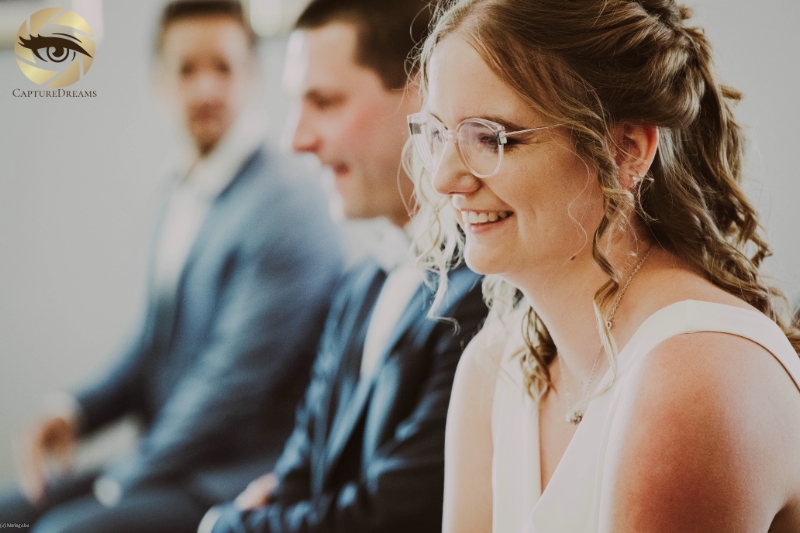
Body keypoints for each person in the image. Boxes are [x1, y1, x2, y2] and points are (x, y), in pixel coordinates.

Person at [405, 0, 800, 531]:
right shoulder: (495, 366)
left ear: (626, 151)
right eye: (437, 134)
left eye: (492, 138)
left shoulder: (698, 376)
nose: (444, 179)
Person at [0, 1, 344, 532]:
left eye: (222, 67)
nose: (206, 89)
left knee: (59, 529)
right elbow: (155, 344)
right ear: (159, 82)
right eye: (187, 70)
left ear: (253, 76)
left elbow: (231, 384)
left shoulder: (286, 205)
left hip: (234, 479)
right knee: (9, 515)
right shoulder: (180, 192)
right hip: (172, 463)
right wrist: (76, 411)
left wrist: (123, 479)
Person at [201, 0, 488, 532]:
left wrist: (228, 527)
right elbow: (300, 469)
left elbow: (395, 516)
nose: (296, 140)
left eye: (325, 102)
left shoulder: (483, 293)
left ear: (424, 96)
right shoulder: (360, 285)